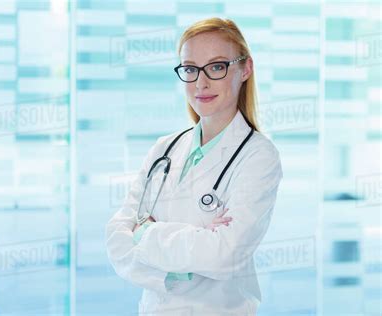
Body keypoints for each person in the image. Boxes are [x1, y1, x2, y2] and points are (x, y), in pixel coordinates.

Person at [105, 17, 283, 315]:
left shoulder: (259, 156)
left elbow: (225, 255)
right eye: (190, 68)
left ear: (245, 69)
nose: (201, 82)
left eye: (216, 67)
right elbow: (116, 241)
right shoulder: (165, 148)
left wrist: (144, 234)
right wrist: (188, 256)